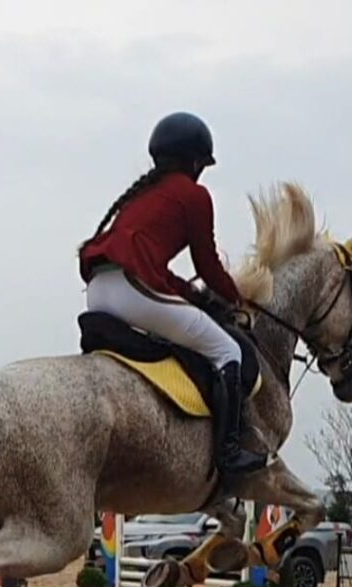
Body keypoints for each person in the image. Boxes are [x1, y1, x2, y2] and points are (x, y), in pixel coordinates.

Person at [79, 111, 266, 476]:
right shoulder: (194, 195)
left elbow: (159, 271)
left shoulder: (144, 195)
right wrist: (235, 298)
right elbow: (208, 264)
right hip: (132, 290)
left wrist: (193, 296)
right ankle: (228, 454)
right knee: (227, 350)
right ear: (196, 161)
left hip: (100, 289)